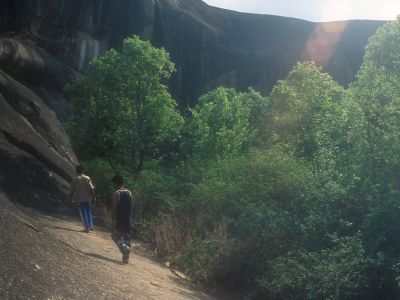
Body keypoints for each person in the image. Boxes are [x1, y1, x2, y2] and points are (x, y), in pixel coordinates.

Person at [111, 175, 133, 264]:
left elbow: (114, 209)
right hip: (128, 219)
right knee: (127, 238)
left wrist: (113, 220)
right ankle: (126, 258)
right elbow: (131, 206)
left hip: (120, 220)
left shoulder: (116, 194)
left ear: (115, 183)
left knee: (115, 236)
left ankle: (124, 248)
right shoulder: (129, 192)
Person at [70, 165, 96, 233]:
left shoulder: (74, 179)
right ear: (83, 170)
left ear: (76, 170)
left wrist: (71, 199)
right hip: (87, 198)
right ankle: (91, 226)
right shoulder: (87, 178)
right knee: (88, 212)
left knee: (83, 213)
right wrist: (94, 197)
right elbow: (92, 189)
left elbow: (72, 191)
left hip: (79, 198)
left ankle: (86, 228)